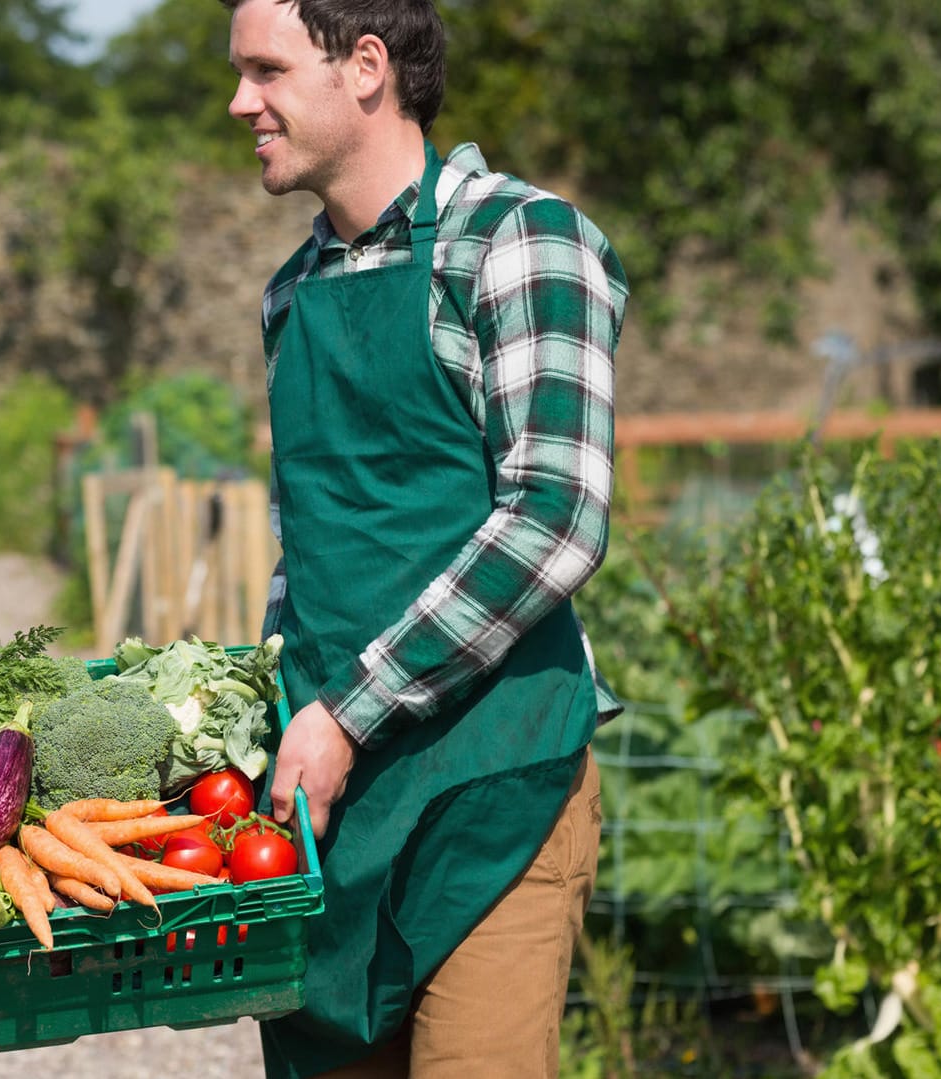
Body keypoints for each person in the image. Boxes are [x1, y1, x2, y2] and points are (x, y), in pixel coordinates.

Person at [220, 1, 628, 1075]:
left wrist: (347, 712)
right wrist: (252, 717)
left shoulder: (519, 240)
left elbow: (556, 516)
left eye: (266, 70)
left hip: (493, 781)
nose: (239, 102)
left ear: (365, 67)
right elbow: (311, 545)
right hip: (329, 802)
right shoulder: (292, 294)